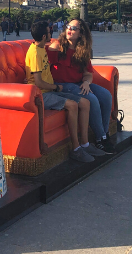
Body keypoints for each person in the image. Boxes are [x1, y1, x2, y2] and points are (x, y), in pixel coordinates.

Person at [26, 21, 105, 163]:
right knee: (74, 104)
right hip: (44, 92)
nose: (53, 34)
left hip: (52, 89)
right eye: (50, 32)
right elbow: (38, 82)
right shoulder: (36, 53)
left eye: (73, 28)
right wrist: (56, 87)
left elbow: (47, 69)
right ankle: (76, 148)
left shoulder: (43, 49)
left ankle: (86, 144)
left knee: (86, 103)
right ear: (45, 36)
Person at [47, 19, 116, 154]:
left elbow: (88, 74)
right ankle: (100, 138)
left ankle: (104, 134)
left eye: (74, 28)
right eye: (68, 27)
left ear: (81, 33)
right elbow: (45, 67)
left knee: (106, 95)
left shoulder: (82, 50)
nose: (69, 30)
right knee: (92, 99)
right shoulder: (57, 46)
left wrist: (86, 82)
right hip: (61, 85)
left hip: (78, 83)